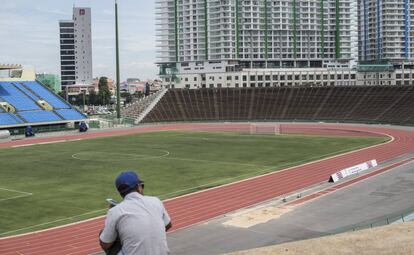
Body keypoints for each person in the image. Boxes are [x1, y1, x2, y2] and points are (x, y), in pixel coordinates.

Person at [99, 171, 172, 255]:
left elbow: (105, 244)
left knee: (104, 234)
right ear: (138, 187)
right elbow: (168, 224)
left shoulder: (115, 211)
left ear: (121, 193)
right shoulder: (155, 201)